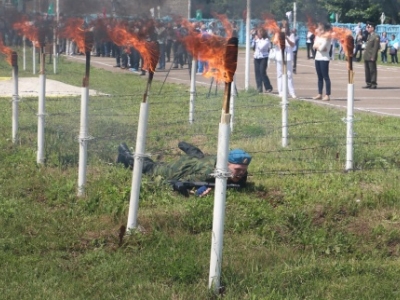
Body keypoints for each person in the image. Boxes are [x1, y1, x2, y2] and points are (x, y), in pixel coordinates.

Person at [117, 142, 252, 197]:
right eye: (237, 169)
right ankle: (126, 156)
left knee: (199, 156)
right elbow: (180, 182)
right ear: (226, 164)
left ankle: (191, 150)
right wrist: (187, 188)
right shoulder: (207, 174)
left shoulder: (234, 171)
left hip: (199, 159)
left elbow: (239, 182)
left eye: (243, 170)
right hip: (182, 168)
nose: (241, 173)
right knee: (153, 168)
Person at [273, 20, 297, 99]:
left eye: (285, 27)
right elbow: (275, 43)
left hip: (288, 56)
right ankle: (281, 91)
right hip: (280, 56)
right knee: (280, 74)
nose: (284, 28)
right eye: (283, 27)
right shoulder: (277, 34)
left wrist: (286, 38)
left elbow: (293, 45)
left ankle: (292, 92)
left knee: (289, 75)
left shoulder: (291, 35)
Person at [312, 22, 332, 101]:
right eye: (319, 29)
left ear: (324, 30)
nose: (319, 31)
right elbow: (314, 46)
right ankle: (319, 93)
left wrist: (319, 47)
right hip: (318, 58)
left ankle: (327, 94)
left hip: (324, 59)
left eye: (321, 29)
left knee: (325, 77)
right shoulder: (318, 37)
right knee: (319, 77)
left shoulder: (327, 37)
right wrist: (318, 46)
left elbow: (321, 48)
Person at [251, 27, 273, 94]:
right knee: (257, 73)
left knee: (262, 72)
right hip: (257, 57)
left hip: (263, 58)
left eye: (259, 33)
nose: (258, 34)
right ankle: (259, 88)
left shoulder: (266, 40)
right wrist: (253, 39)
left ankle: (268, 87)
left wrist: (257, 40)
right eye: (257, 33)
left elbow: (261, 47)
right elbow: (253, 47)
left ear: (262, 33)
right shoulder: (257, 40)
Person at [362, 22, 380, 89]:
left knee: (372, 70)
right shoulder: (369, 36)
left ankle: (373, 83)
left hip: (371, 56)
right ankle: (368, 83)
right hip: (367, 56)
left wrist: (373, 56)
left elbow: (375, 48)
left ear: (372, 28)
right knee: (367, 70)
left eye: (368, 27)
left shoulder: (376, 36)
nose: (367, 28)